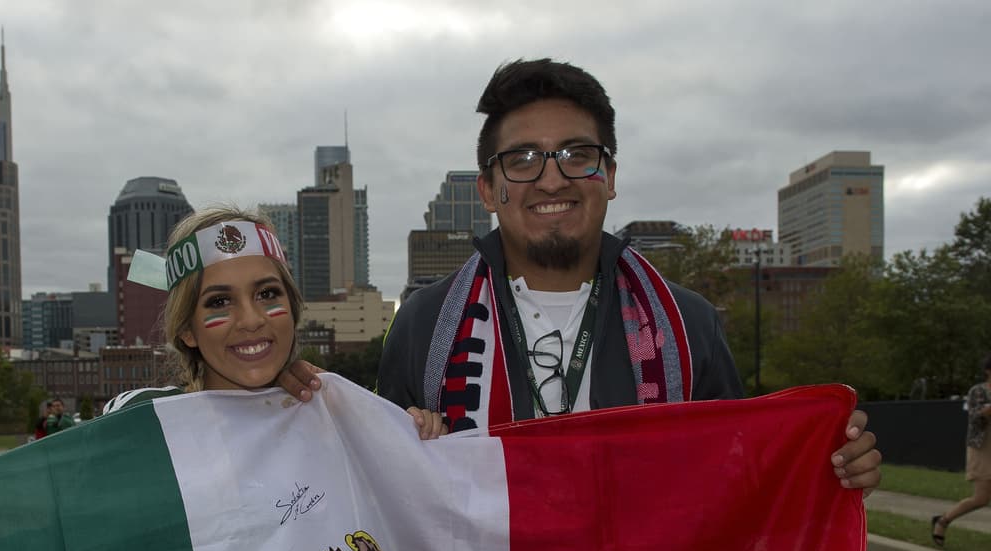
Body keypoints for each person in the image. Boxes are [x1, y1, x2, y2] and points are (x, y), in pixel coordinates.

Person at [280, 58, 880, 489]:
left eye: (577, 155)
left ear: (609, 176)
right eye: (522, 160)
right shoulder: (425, 323)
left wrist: (827, 463)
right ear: (489, 189)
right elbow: (376, 494)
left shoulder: (688, 323)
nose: (551, 178)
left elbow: (740, 477)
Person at [111, 204, 445, 439]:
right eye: (220, 301)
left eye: (268, 294)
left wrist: (414, 441)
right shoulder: (140, 423)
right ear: (187, 330)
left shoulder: (333, 422)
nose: (251, 320)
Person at [931, 354, 991, 546]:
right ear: (988, 371)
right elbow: (975, 417)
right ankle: (943, 520)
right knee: (981, 498)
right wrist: (987, 410)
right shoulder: (978, 391)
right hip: (983, 448)